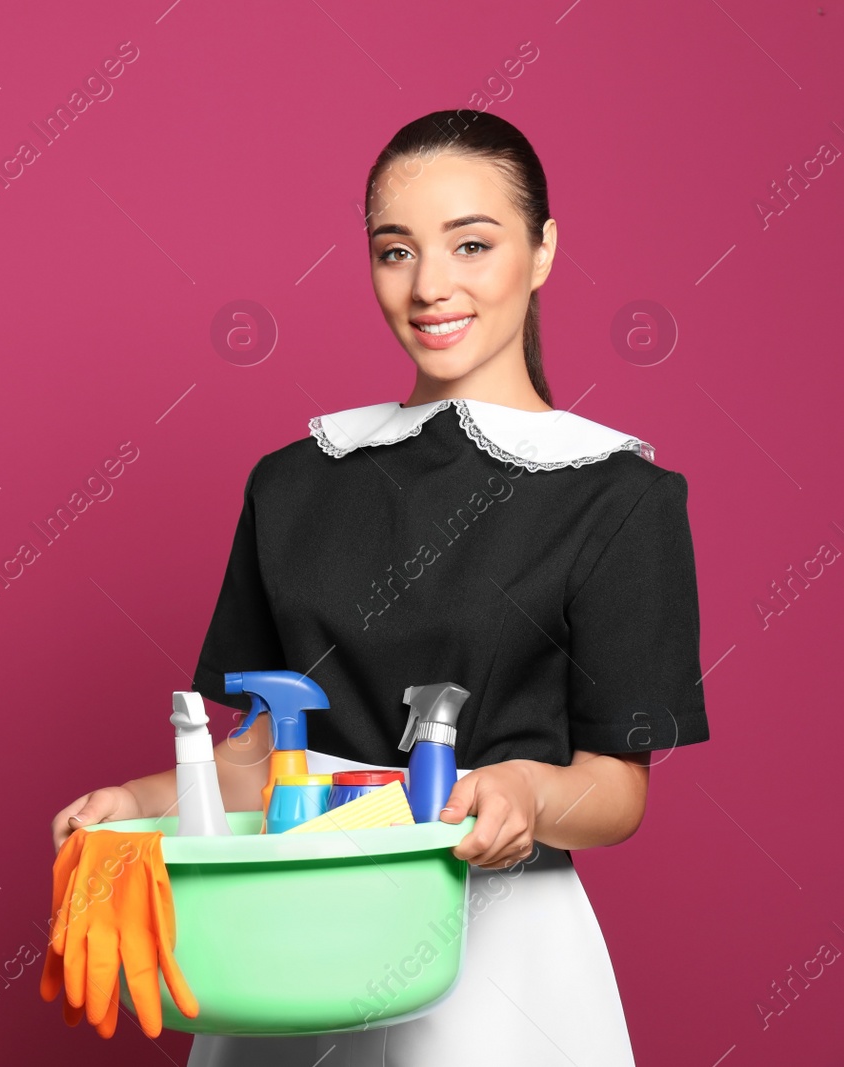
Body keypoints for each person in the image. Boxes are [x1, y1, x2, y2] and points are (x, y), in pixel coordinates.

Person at [48, 109, 711, 1066]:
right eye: (395, 251)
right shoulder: (294, 482)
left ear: (544, 249)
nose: (431, 286)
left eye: (472, 244)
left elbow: (616, 792)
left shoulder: (617, 496)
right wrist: (135, 799)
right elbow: (259, 752)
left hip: (500, 961)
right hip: (290, 937)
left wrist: (523, 788)